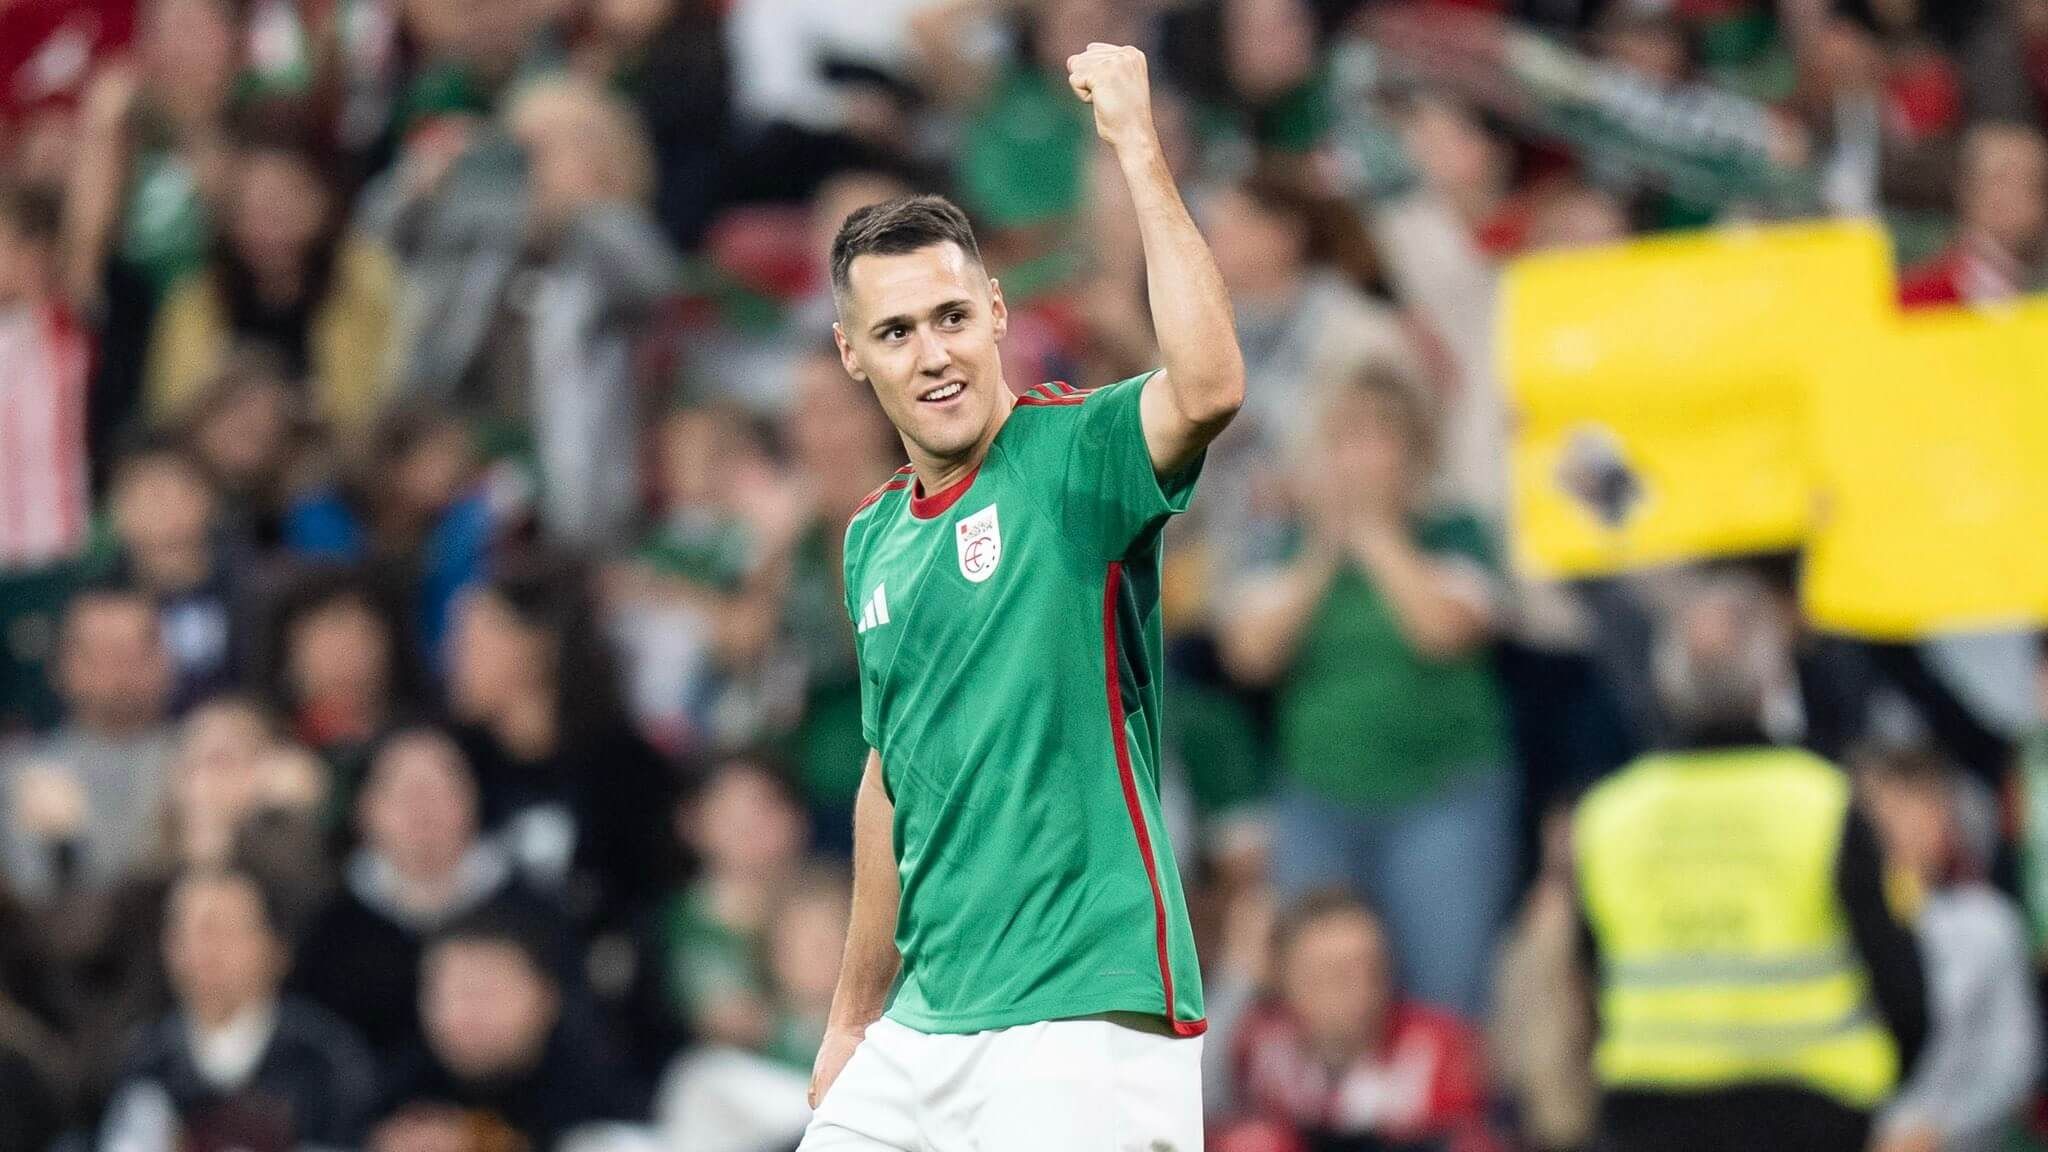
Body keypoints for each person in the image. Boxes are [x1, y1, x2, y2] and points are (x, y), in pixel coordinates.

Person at [801, 41, 1244, 1151]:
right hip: (921, 1027)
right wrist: (853, 1016)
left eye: (951, 316)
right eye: (895, 332)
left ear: (996, 313)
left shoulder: (1070, 457)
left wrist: (1137, 151)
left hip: (1079, 1015)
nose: (932, 353)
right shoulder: (869, 542)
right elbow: (886, 780)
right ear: (851, 355)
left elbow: (1207, 385)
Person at [1573, 575, 1930, 1152]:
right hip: (1812, 1109)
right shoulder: (1823, 800)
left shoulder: (1609, 814)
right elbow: (1897, 973)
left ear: (1666, 682)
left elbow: (1587, 973)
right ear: (1771, 679)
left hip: (1651, 1111)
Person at [1219, 359, 1515, 1018]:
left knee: (1448, 994)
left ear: (1415, 457)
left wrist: (1376, 535)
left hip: (1442, 799)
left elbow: (1441, 629)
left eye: (1379, 438)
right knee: (1317, 997)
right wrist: (1324, 547)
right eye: (1343, 438)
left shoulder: (1456, 534)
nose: (1357, 458)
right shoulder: (1284, 546)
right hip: (1320, 797)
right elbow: (1252, 654)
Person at [293, 727, 572, 1063]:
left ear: (473, 800)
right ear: (366, 810)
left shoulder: (531, 914)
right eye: (406, 793)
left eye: (440, 790)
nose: (423, 810)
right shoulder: (332, 927)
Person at [100, 866, 376, 1152]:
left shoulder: (325, 1059)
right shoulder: (148, 1058)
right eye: (187, 932)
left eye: (224, 931)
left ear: (277, 949)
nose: (204, 951)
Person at [1211, 890, 1500, 1152]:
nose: (1358, 989)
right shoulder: (1260, 1046)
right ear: (1287, 981)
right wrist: (1239, 977)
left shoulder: (1439, 1048)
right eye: (1334, 974)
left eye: (1371, 969)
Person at [1859, 745, 2041, 1152]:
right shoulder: (1834, 935)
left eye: (1919, 810)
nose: (1899, 830)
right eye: (1884, 813)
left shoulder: (1989, 924)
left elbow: (2013, 1061)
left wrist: (1935, 1131)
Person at [373, 910, 640, 1152]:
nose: (462, 1014)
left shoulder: (597, 1083)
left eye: (483, 994)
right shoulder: (401, 1082)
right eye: (446, 995)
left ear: (547, 997)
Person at [1, 587, 176, 902]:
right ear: (62, 665)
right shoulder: (21, 771)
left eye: (136, 652)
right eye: (102, 654)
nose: (121, 671)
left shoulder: (202, 757)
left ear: (165, 659)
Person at [1899, 120, 2047, 307]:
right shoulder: (1919, 298)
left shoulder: (2034, 294)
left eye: (2032, 182)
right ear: (1969, 190)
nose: (2017, 194)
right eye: (2000, 179)